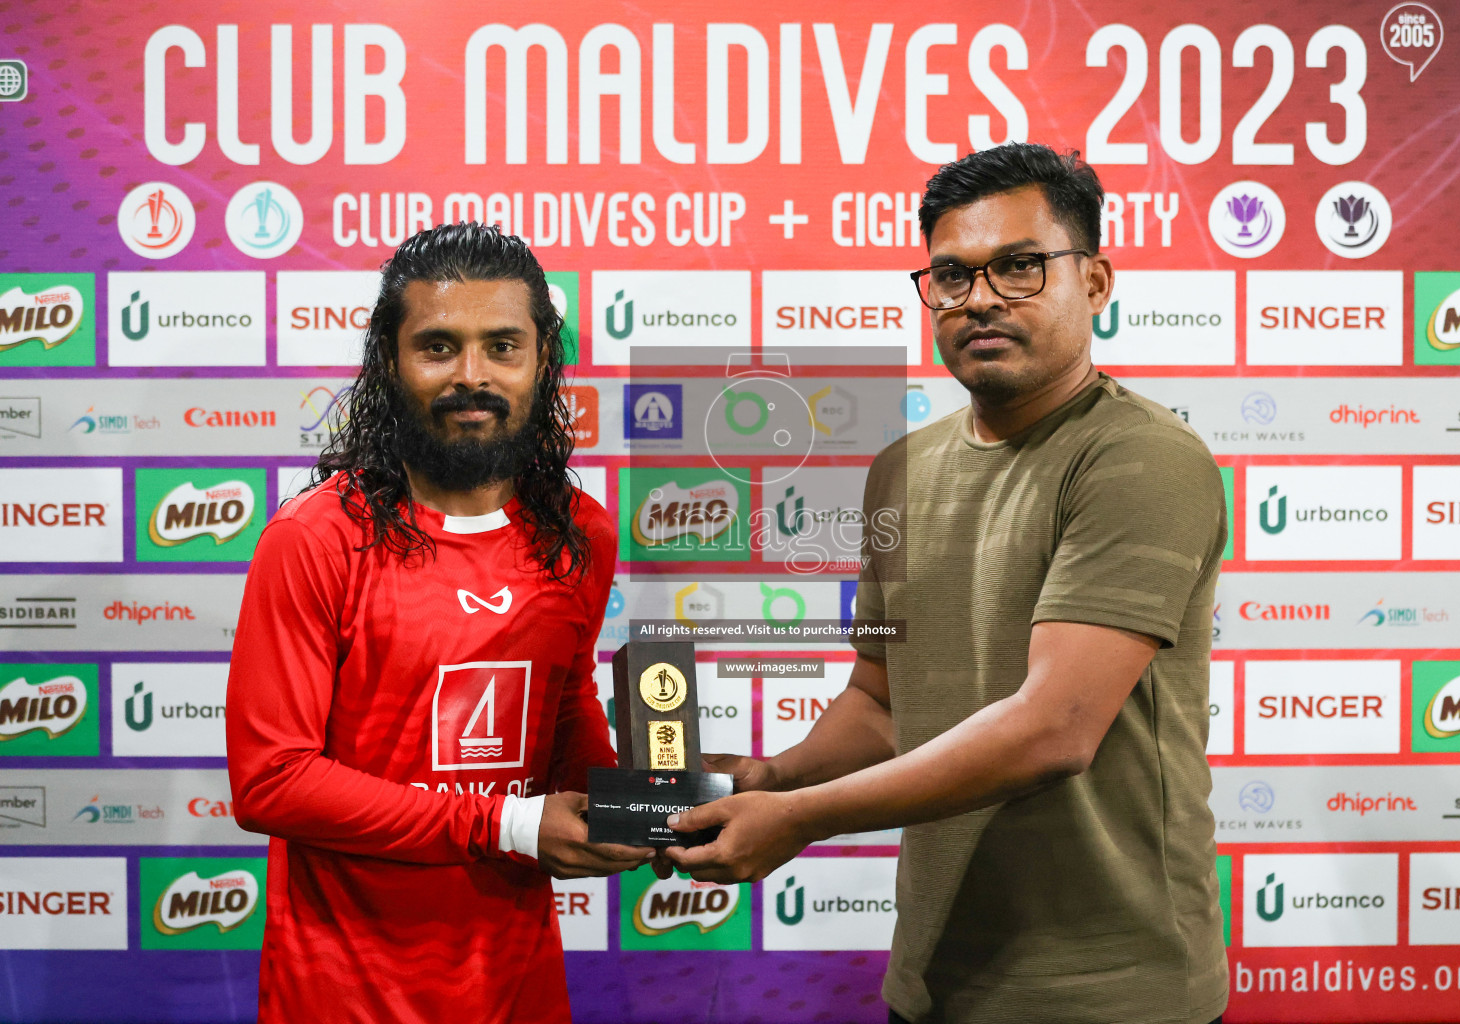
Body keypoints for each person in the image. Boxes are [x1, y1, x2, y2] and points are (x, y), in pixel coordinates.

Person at [666, 144, 1229, 1024]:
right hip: (935, 982)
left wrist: (803, 817)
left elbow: (1054, 730)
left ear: (1096, 282)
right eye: (952, 275)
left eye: (1020, 266)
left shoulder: (1141, 458)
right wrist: (770, 779)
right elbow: (883, 705)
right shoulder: (899, 469)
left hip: (1111, 993)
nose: (980, 299)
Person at [227, 223, 654, 1024]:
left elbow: (561, 702)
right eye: (438, 347)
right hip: (344, 990)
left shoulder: (580, 533)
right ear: (390, 362)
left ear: (541, 360)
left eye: (501, 346)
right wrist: (510, 823)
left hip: (515, 980)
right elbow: (271, 780)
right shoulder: (316, 537)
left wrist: (636, 809)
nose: (472, 376)